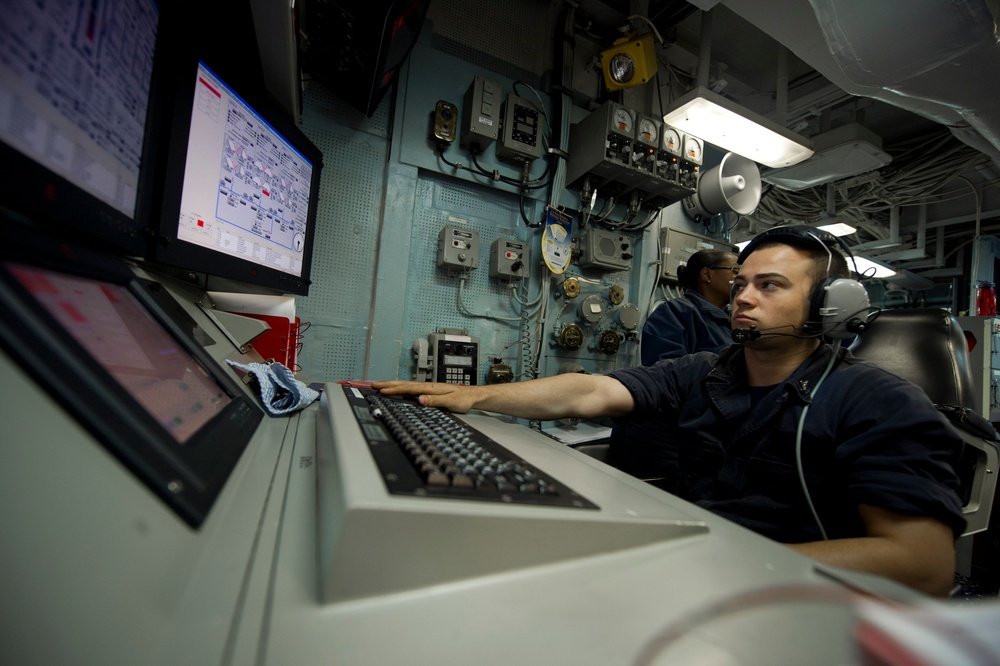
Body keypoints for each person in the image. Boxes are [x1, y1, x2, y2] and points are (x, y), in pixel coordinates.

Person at [373, 226, 966, 597]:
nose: (745, 297)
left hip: (793, 603)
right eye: (740, 285)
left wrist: (730, 566)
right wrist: (473, 396)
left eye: (771, 286)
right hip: (692, 580)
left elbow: (924, 564)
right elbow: (590, 393)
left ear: (828, 308)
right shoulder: (705, 370)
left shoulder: (880, 402)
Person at [640, 248, 737, 364]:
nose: (742, 279)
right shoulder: (674, 314)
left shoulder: (734, 317)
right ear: (707, 275)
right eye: (735, 272)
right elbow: (666, 372)